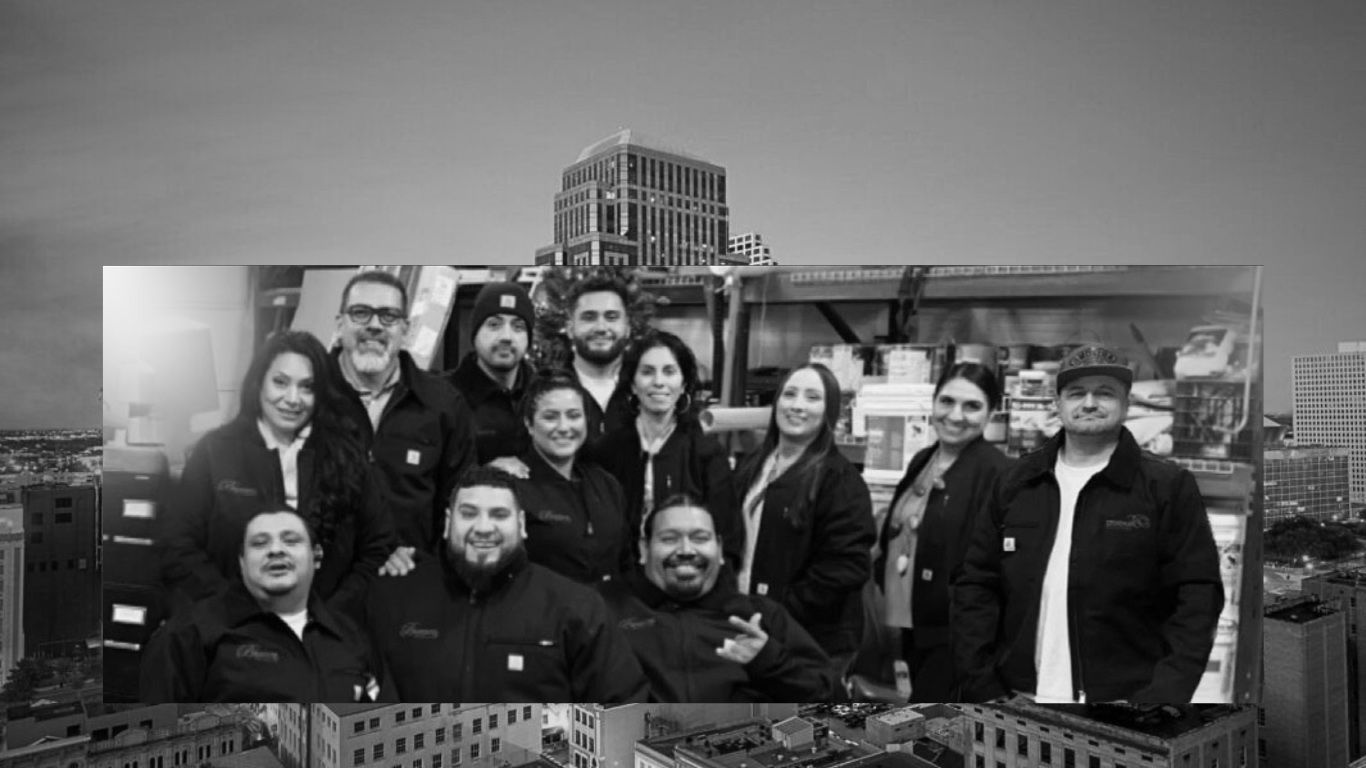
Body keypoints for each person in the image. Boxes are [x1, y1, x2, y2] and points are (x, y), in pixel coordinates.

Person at [953, 344, 1224, 704]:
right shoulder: (1015, 482)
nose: (1090, 403)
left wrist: (1162, 697)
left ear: (1127, 404)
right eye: (1077, 393)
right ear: (1058, 403)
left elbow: (1198, 597)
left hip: (1122, 702)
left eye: (1105, 393)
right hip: (1017, 696)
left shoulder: (1167, 486)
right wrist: (982, 684)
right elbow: (975, 584)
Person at [160, 330, 393, 619]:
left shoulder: (347, 457)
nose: (293, 399)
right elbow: (178, 543)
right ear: (259, 384)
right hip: (230, 630)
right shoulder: (215, 452)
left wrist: (330, 615)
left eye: (307, 387)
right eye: (280, 383)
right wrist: (233, 608)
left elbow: (378, 547)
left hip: (324, 633)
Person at [366, 466, 649, 702]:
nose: (484, 528)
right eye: (469, 514)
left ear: (522, 524)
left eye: (499, 515)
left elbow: (621, 709)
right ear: (448, 523)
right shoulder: (395, 598)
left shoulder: (575, 607)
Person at [598, 495, 836, 702]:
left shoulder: (760, 616)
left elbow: (831, 697)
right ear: (644, 549)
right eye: (669, 538)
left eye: (700, 538)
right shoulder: (604, 611)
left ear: (720, 550)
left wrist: (769, 661)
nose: (686, 550)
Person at [872, 362, 1012, 702]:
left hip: (954, 636)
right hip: (909, 623)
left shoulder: (998, 472)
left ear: (991, 413)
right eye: (946, 401)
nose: (956, 415)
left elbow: (992, 567)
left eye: (972, 406)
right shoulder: (924, 459)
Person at [144, 509, 378, 702]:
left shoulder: (351, 638)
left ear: (316, 557)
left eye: (291, 541)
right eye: (259, 543)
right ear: (242, 562)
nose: (276, 550)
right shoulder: (188, 635)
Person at [733, 363, 876, 676]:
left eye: (813, 397)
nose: (797, 405)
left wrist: (780, 611)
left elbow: (846, 567)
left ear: (829, 411)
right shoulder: (753, 466)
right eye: (790, 394)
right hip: (751, 624)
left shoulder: (840, 480)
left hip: (813, 640)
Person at [329, 270, 476, 557]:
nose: (374, 325)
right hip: (324, 584)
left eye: (389, 316)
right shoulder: (311, 395)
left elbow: (459, 504)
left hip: (411, 580)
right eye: (360, 313)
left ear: (405, 330)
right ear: (339, 324)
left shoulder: (443, 405)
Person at [590, 329, 742, 569]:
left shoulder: (707, 454)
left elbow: (727, 539)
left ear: (683, 385)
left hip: (686, 581)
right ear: (632, 384)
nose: (658, 382)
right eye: (647, 372)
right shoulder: (606, 451)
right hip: (619, 585)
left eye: (669, 372)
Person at [506, 371, 633, 583]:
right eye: (550, 417)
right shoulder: (510, 486)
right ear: (529, 423)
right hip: (543, 612)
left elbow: (625, 563)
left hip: (609, 611)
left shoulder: (606, 484)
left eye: (574, 416)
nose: (564, 427)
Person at [446, 280, 538, 464]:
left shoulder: (543, 394)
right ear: (475, 333)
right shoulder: (445, 397)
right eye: (494, 325)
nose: (506, 337)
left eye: (518, 327)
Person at [563, 271, 635, 451]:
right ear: (570, 329)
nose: (601, 328)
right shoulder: (546, 390)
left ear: (627, 328)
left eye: (611, 317)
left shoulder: (647, 389)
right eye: (589, 317)